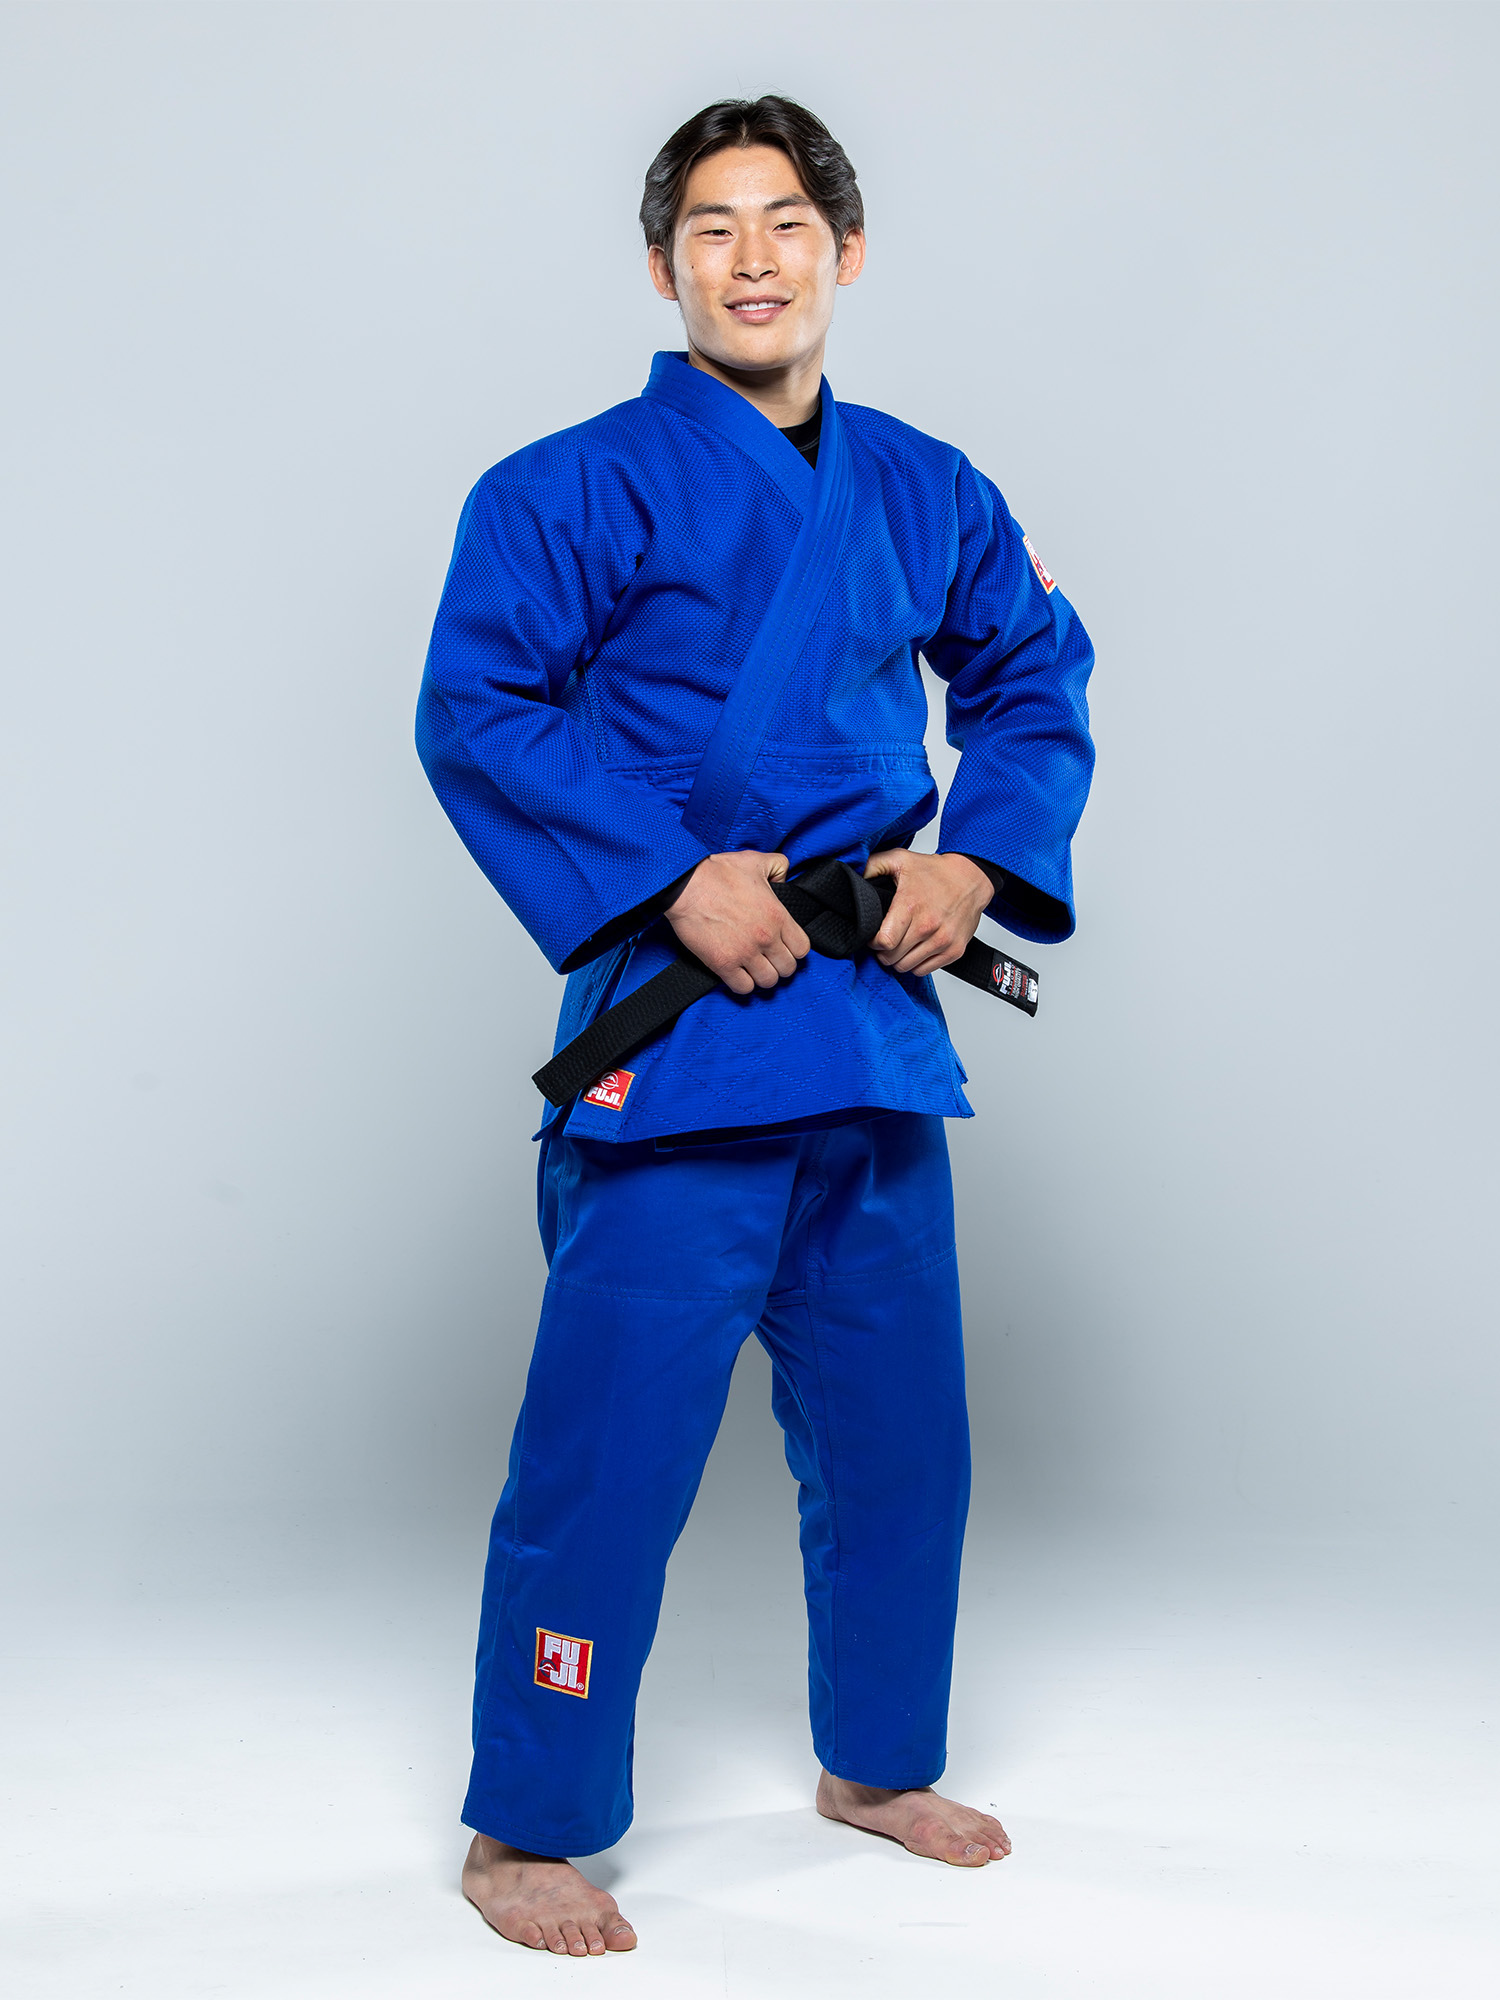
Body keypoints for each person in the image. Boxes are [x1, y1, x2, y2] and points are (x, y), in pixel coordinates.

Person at [415, 95, 1095, 1956]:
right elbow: (479, 707)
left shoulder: (927, 486)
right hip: (687, 1027)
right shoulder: (561, 486)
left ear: (843, 253)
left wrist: (983, 855)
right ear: (663, 268)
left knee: (902, 1445)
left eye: (787, 223)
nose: (752, 259)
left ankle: (876, 1762)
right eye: (712, 228)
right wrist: (666, 876)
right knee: (608, 1451)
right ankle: (528, 1825)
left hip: (868, 1031)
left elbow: (1032, 673)